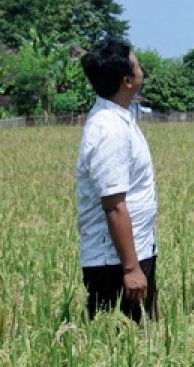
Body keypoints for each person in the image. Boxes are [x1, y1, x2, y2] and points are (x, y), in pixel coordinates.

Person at [76, 39, 158, 321]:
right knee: (121, 343)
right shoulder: (108, 130)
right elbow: (113, 205)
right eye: (137, 65)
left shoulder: (118, 116)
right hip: (115, 262)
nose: (142, 69)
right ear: (126, 80)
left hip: (132, 252)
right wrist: (131, 269)